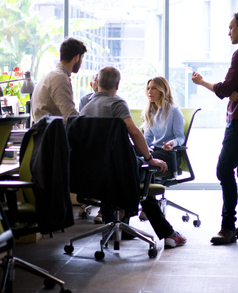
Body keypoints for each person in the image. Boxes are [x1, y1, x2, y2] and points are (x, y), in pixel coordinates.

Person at [80, 66, 187, 248]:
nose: (150, 92)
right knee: (142, 191)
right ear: (118, 85)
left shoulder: (85, 107)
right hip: (116, 169)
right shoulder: (116, 104)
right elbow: (136, 133)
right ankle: (167, 233)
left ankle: (119, 226)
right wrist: (149, 158)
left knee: (132, 183)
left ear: (97, 83)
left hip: (93, 171)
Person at [191, 12, 238, 245]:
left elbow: (226, 87)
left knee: (224, 169)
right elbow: (234, 88)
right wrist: (232, 90)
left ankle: (228, 227)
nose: (229, 32)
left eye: (231, 27)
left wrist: (203, 82)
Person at [31, 37, 87, 122]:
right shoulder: (59, 78)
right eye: (82, 57)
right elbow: (70, 116)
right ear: (77, 58)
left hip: (46, 131)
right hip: (51, 133)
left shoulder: (50, 75)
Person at [141, 76, 185, 176]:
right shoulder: (149, 111)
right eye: (148, 88)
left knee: (142, 159)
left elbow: (180, 137)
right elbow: (148, 138)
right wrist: (140, 147)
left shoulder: (174, 110)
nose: (150, 92)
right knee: (134, 156)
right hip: (155, 151)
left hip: (170, 154)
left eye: (154, 88)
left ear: (162, 90)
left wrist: (172, 143)